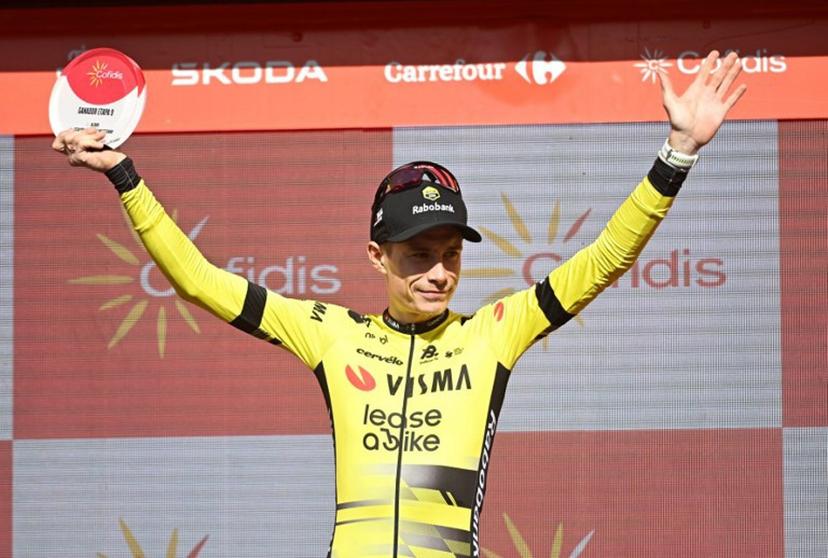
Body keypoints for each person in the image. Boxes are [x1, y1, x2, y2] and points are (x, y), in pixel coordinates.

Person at [53, 51, 745, 558]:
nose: (439, 272)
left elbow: (604, 259)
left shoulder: (495, 333)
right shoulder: (330, 333)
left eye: (451, 253)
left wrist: (677, 153)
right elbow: (199, 279)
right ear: (377, 257)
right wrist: (124, 174)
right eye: (418, 254)